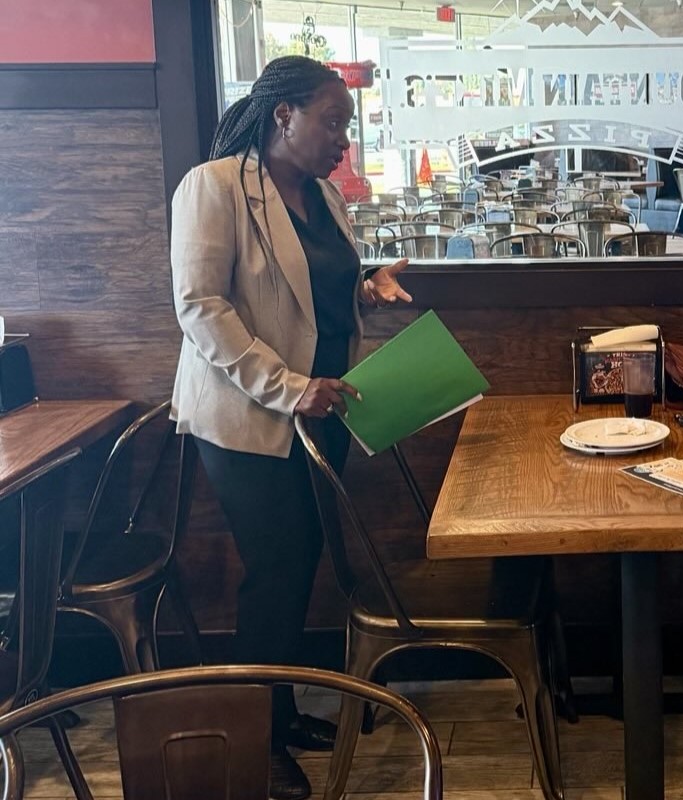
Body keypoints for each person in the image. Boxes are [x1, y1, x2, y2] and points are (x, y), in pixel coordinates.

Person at [169, 56, 411, 800]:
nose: (343, 137)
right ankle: (254, 740)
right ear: (283, 116)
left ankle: (278, 710)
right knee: (275, 571)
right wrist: (290, 387)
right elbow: (202, 307)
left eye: (346, 123)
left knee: (303, 560)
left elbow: (317, 291)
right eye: (331, 121)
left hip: (324, 407)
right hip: (250, 416)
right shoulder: (213, 187)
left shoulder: (325, 197)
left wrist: (369, 287)